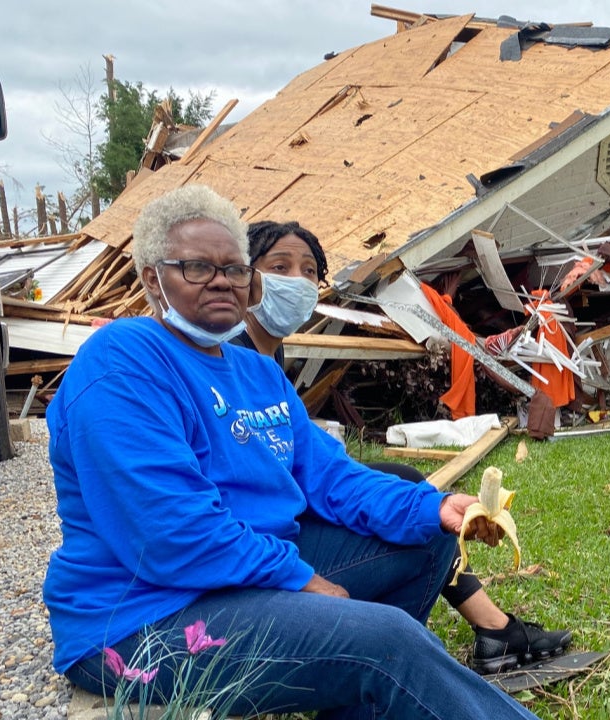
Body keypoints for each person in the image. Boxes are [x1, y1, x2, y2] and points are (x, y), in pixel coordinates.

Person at [42, 184, 540, 719]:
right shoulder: (123, 363)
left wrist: (431, 507)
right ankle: (377, 669)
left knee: (427, 539)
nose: (221, 282)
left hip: (237, 580)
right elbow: (170, 534)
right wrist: (301, 580)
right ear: (152, 280)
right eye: (196, 268)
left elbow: (331, 478)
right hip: (141, 619)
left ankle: (357, 697)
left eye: (234, 269)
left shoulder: (255, 372)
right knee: (385, 642)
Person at [235, 219, 572, 674]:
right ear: (245, 276)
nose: (296, 282)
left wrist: (430, 506)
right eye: (279, 266)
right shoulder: (227, 357)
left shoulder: (267, 357)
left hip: (285, 511)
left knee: (413, 492)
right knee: (422, 527)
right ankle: (398, 658)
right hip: (259, 542)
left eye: (308, 270)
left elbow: (317, 465)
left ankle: (482, 631)